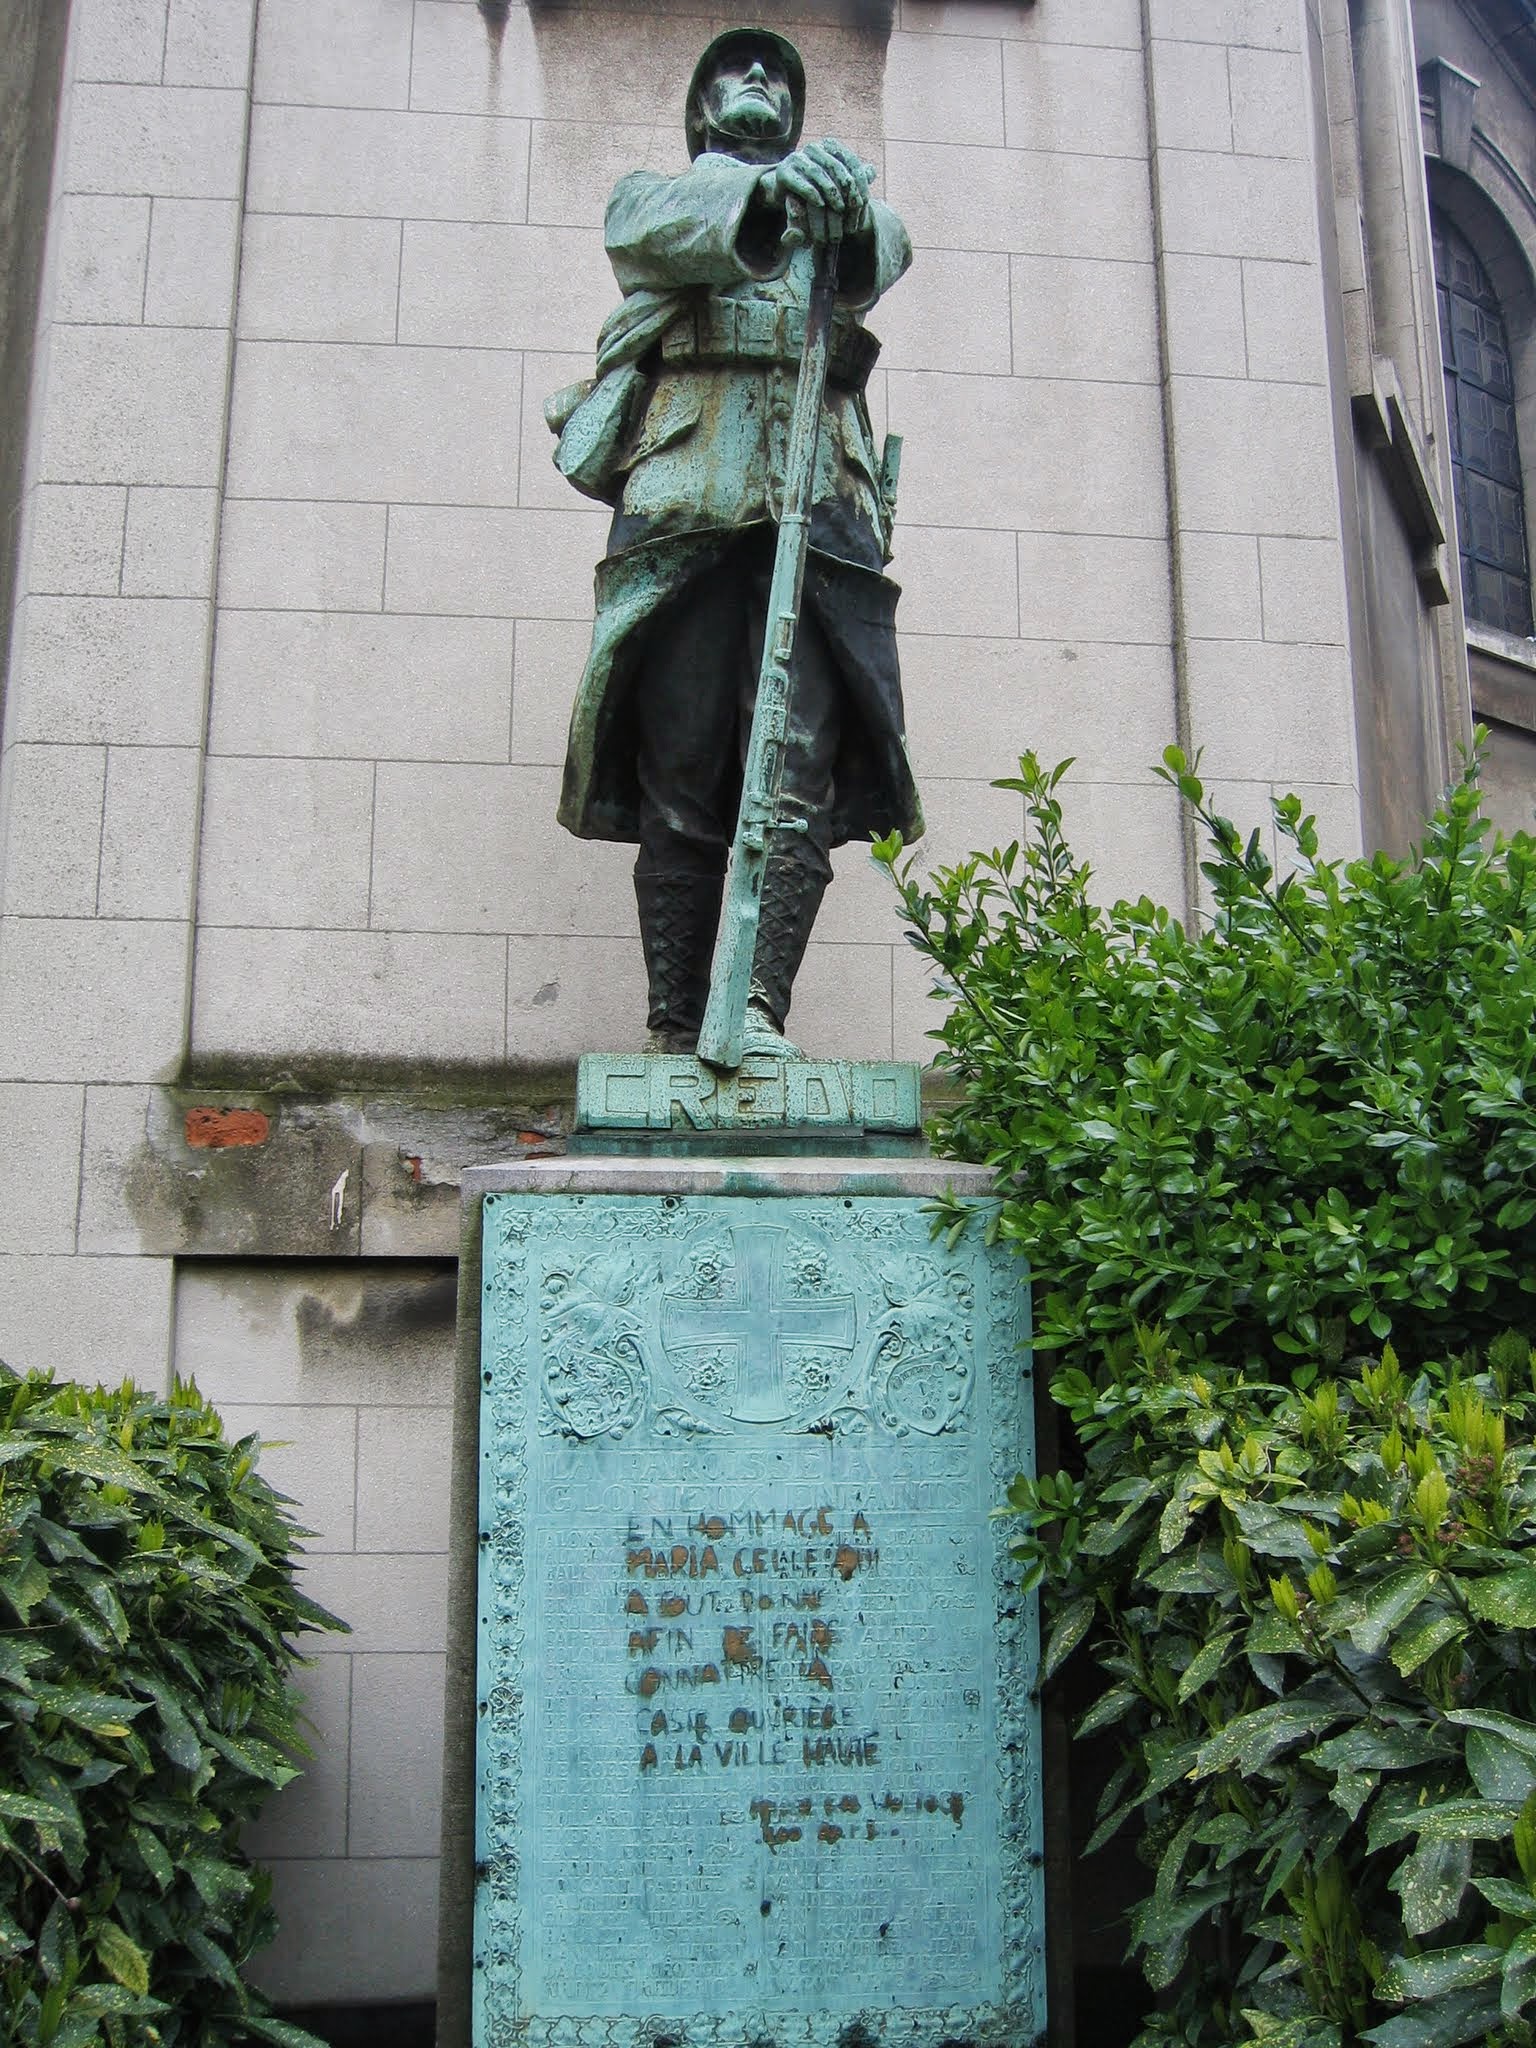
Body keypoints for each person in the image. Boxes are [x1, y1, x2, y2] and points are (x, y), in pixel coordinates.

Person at [549, 26, 923, 1057]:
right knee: (681, 767)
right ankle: (676, 1024)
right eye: (734, 70)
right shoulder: (657, 199)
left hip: (823, 509)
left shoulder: (841, 210)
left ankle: (758, 1012)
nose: (758, 79)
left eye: (778, 75)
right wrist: (770, 195)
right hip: (685, 505)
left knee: (796, 767)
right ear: (702, 109)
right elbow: (650, 232)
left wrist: (839, 207)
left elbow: (882, 251)